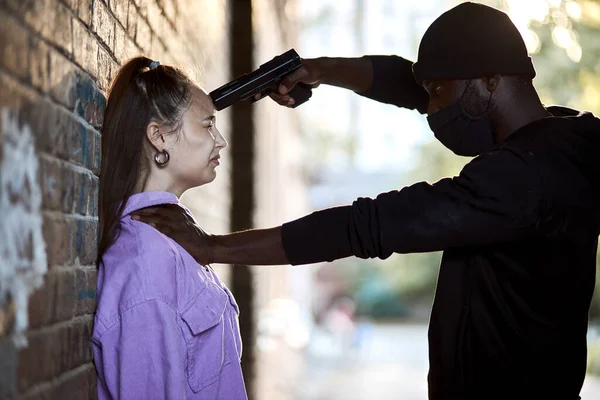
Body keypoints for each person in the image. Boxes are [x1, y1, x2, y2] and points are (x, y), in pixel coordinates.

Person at [131, 3, 600, 399]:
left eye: (437, 95)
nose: (432, 109)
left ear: (492, 81)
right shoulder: (554, 140)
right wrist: (318, 70)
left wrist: (212, 247)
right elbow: (405, 80)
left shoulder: (523, 178)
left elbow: (369, 225)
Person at [92, 56, 247, 399]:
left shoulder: (171, 242)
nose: (219, 140)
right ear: (158, 136)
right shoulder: (145, 262)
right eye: (207, 125)